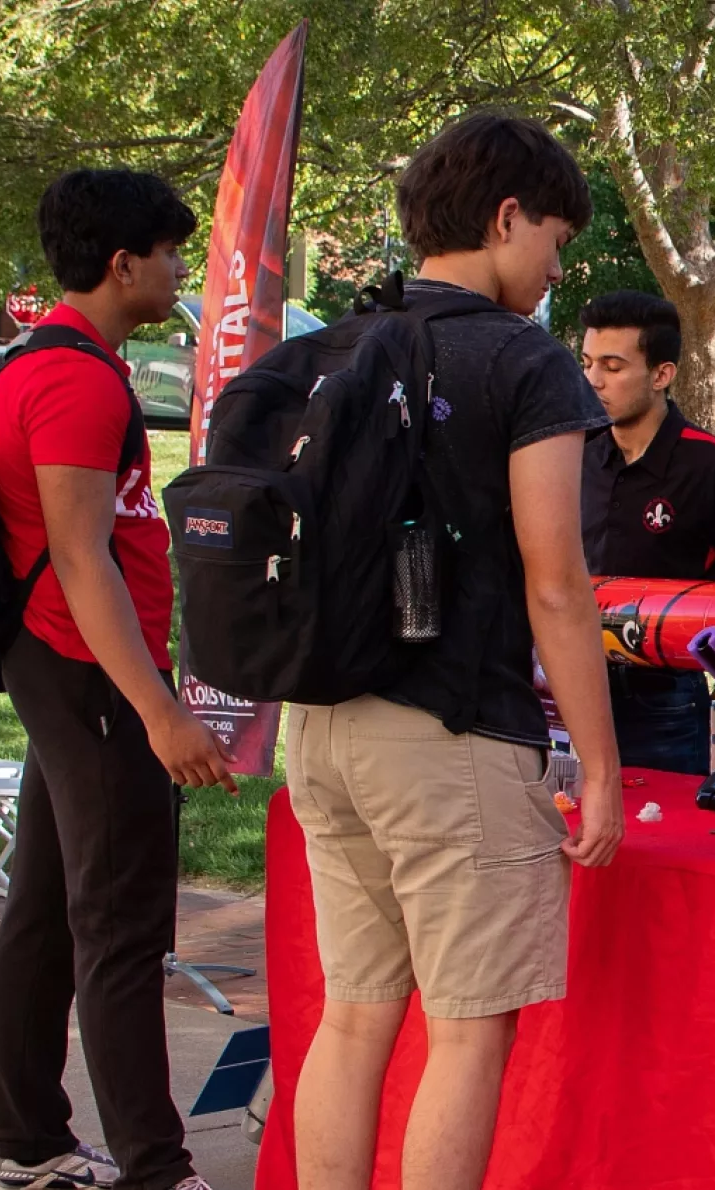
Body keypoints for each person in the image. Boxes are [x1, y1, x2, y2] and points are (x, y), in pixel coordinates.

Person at [283, 111, 623, 1190]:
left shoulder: (336, 343)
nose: (557, 271)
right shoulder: (524, 361)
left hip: (319, 717)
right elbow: (557, 582)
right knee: (468, 1034)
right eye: (556, 242)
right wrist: (601, 765)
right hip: (453, 732)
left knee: (353, 1017)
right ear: (507, 216)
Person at [0, 168, 223, 1190]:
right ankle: (156, 1169)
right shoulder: (78, 380)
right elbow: (82, 559)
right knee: (121, 925)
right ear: (123, 265)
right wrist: (158, 709)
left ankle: (27, 1144)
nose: (178, 272)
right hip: (90, 672)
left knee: (42, 911)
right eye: (169, 254)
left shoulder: (36, 364)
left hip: (62, 667)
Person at [577, 289, 715, 772]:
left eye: (613, 366)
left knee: (667, 814)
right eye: (587, 364)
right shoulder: (572, 453)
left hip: (665, 696)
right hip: (571, 685)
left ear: (662, 374)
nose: (594, 380)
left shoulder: (710, 464)